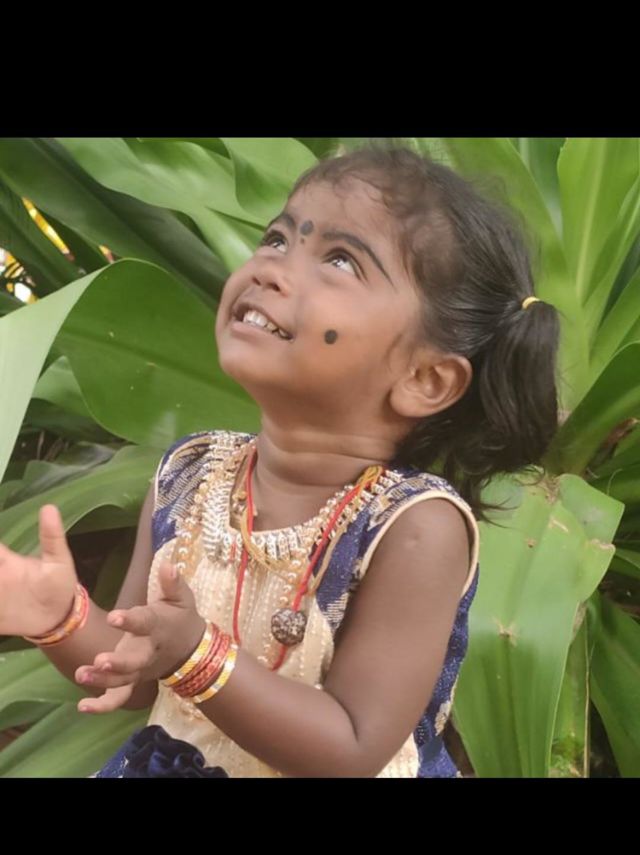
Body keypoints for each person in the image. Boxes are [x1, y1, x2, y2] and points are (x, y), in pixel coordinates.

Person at [0, 143, 561, 777]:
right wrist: (61, 617)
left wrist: (197, 654)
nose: (271, 268)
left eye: (340, 260)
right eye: (277, 239)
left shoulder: (413, 529)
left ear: (424, 380)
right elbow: (132, 669)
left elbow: (352, 746)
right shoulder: (190, 476)